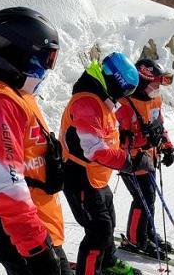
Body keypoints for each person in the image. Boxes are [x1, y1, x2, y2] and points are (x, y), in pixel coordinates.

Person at [0, 7, 72, 275]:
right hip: (22, 236)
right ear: (20, 50)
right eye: (45, 57)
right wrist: (37, 248)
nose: (46, 67)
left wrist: (49, 162)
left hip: (34, 225)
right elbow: (5, 184)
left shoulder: (15, 92)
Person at [60, 52, 154, 275]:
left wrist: (129, 144)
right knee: (99, 230)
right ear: (116, 83)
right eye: (125, 91)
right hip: (79, 176)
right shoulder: (87, 102)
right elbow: (95, 150)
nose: (124, 97)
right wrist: (131, 161)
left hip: (96, 177)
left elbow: (108, 138)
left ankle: (109, 262)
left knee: (108, 222)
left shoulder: (101, 100)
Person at [116, 59, 174, 259]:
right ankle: (135, 239)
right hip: (131, 160)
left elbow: (159, 125)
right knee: (143, 198)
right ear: (142, 81)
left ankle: (148, 233)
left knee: (149, 198)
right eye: (154, 84)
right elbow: (115, 137)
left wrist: (167, 146)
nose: (157, 88)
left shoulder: (155, 100)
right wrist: (130, 138)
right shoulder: (124, 104)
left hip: (150, 157)